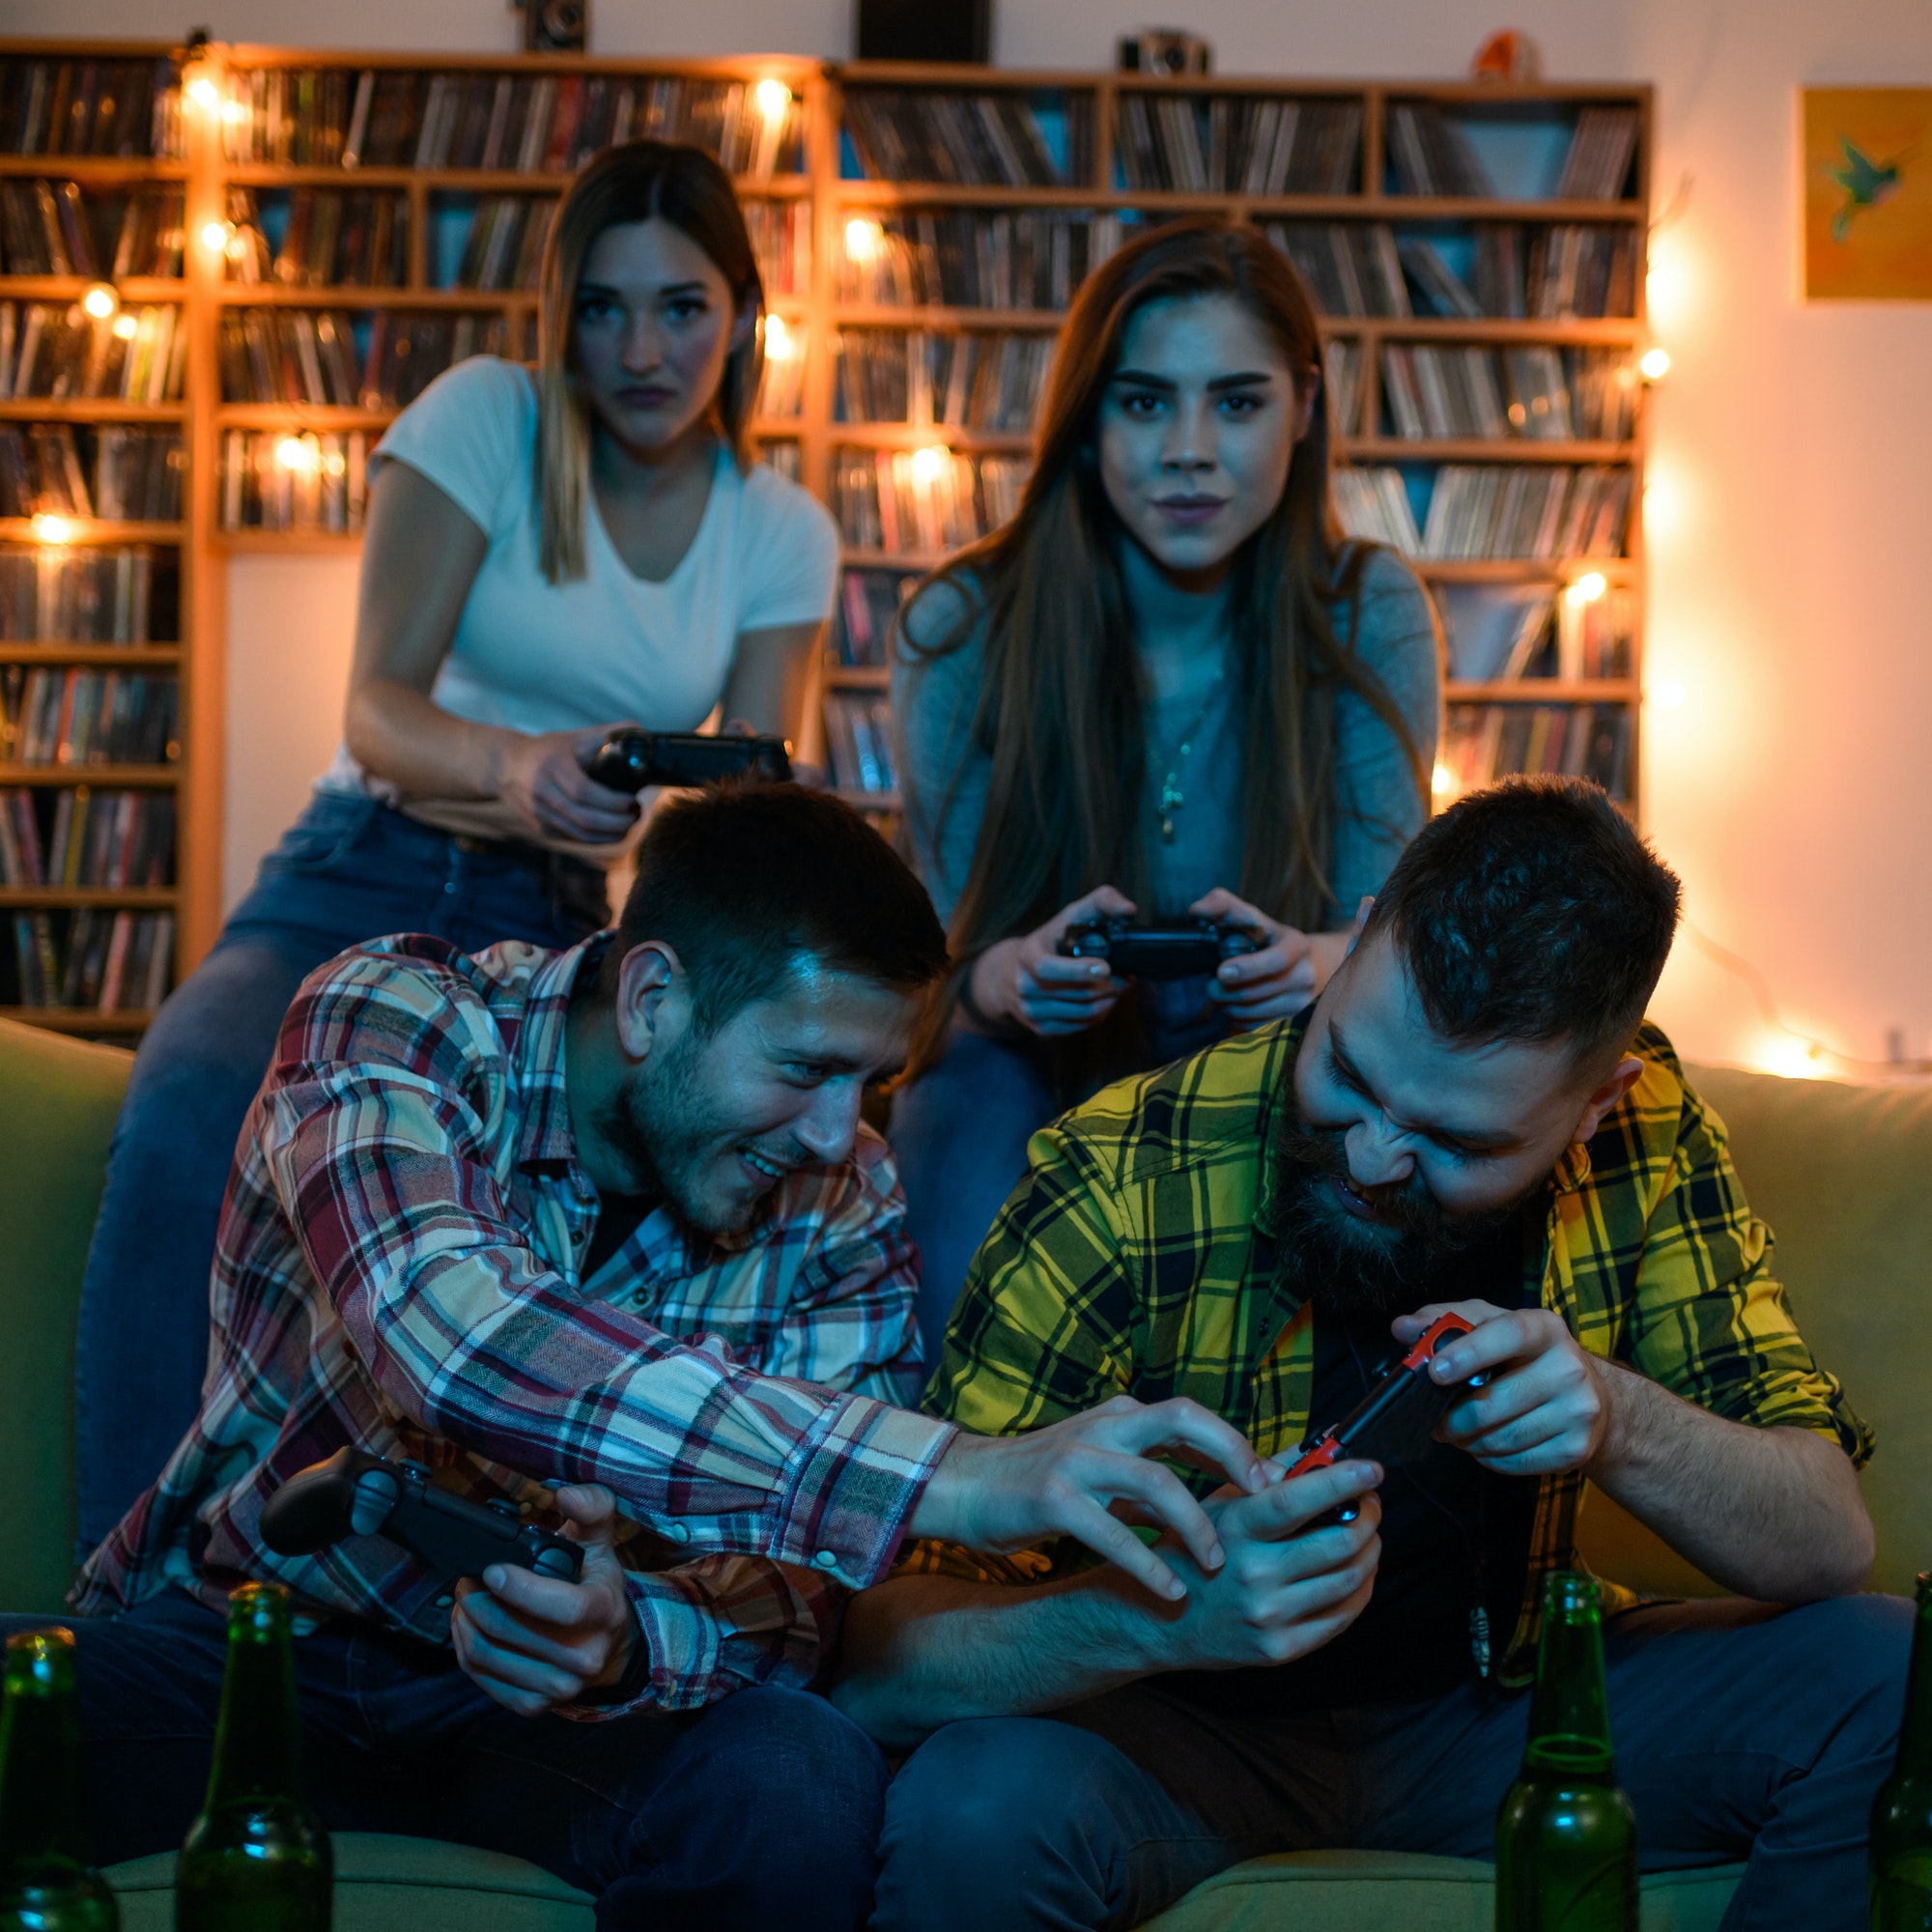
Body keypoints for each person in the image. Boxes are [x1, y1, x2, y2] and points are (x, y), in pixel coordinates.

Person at [23, 783, 1270, 1930]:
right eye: (808, 1069)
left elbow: (801, 1604)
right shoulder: (395, 1019)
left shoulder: (847, 1200)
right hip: (253, 1644)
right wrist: (958, 1477)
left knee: (796, 1770)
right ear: (652, 998)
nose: (843, 1131)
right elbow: (453, 1340)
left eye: (873, 1079)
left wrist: (631, 1644)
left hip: (553, 1721)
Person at [833, 778, 1905, 1932]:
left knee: (1891, 1674)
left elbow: (1826, 1539)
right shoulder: (1119, 1175)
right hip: (1172, 1728)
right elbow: (883, 1659)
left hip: (1500, 1713)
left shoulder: (1648, 1135)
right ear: (1345, 951)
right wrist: (1164, 1615)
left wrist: (1613, 1417)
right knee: (970, 1808)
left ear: (1597, 1102)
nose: (1374, 1156)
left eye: (1456, 1139)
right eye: (1345, 1073)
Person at [76, 139, 844, 1551]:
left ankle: (456, 1588)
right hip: (361, 860)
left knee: (533, 1223)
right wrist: (515, 765)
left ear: (742, 313)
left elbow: (752, 798)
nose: (642, 347)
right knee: (193, 1105)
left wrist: (681, 828)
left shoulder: (778, 529)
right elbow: (377, 707)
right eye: (602, 307)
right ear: (559, 316)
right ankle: (118, 1594)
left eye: (682, 305)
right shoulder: (484, 417)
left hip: (564, 925)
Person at [889, 216, 1443, 1356]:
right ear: (1087, 422)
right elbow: (932, 966)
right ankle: (963, 1495)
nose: (1189, 449)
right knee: (966, 1086)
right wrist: (1004, 977)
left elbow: (1386, 933)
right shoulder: (961, 628)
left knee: (1367, 1116)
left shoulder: (1364, 608)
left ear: (1304, 404)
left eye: (1234, 403)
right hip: (1024, 1063)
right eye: (1145, 402)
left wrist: (1314, 963)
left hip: (1278, 1065)